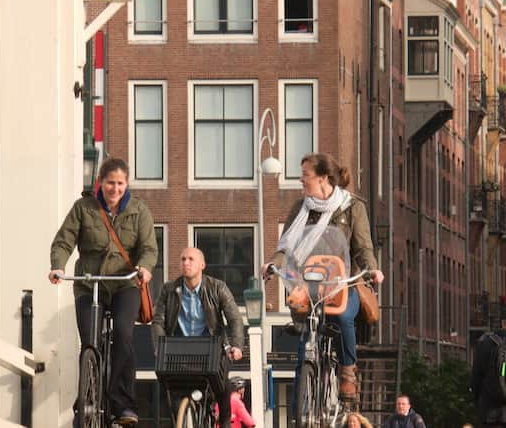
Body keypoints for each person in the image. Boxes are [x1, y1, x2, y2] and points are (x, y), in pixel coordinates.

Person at [263, 152, 384, 401]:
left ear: (323, 178)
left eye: (305, 175)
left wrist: (372, 269)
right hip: (309, 284)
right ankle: (300, 404)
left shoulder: (352, 207)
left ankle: (348, 373)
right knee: (304, 343)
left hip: (342, 283)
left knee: (343, 316)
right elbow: (286, 247)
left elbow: (363, 248)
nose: (301, 180)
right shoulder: (300, 208)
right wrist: (273, 265)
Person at [49, 157, 157, 426]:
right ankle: (87, 398)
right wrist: (58, 266)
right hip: (90, 282)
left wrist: (144, 268)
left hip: (125, 284)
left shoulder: (139, 210)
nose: (115, 189)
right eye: (110, 183)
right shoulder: (84, 208)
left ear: (127, 184)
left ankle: (122, 403)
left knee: (123, 334)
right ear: (100, 182)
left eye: (120, 183)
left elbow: (148, 247)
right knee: (89, 341)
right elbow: (64, 241)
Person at [151, 247, 245, 428]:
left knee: (223, 388)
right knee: (169, 391)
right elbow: (158, 321)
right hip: (179, 351)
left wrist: (237, 345)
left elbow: (235, 318)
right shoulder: (168, 289)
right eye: (183, 259)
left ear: (202, 265)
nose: (186, 263)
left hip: (212, 349)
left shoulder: (217, 287)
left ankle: (225, 422)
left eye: (191, 259)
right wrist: (158, 346)